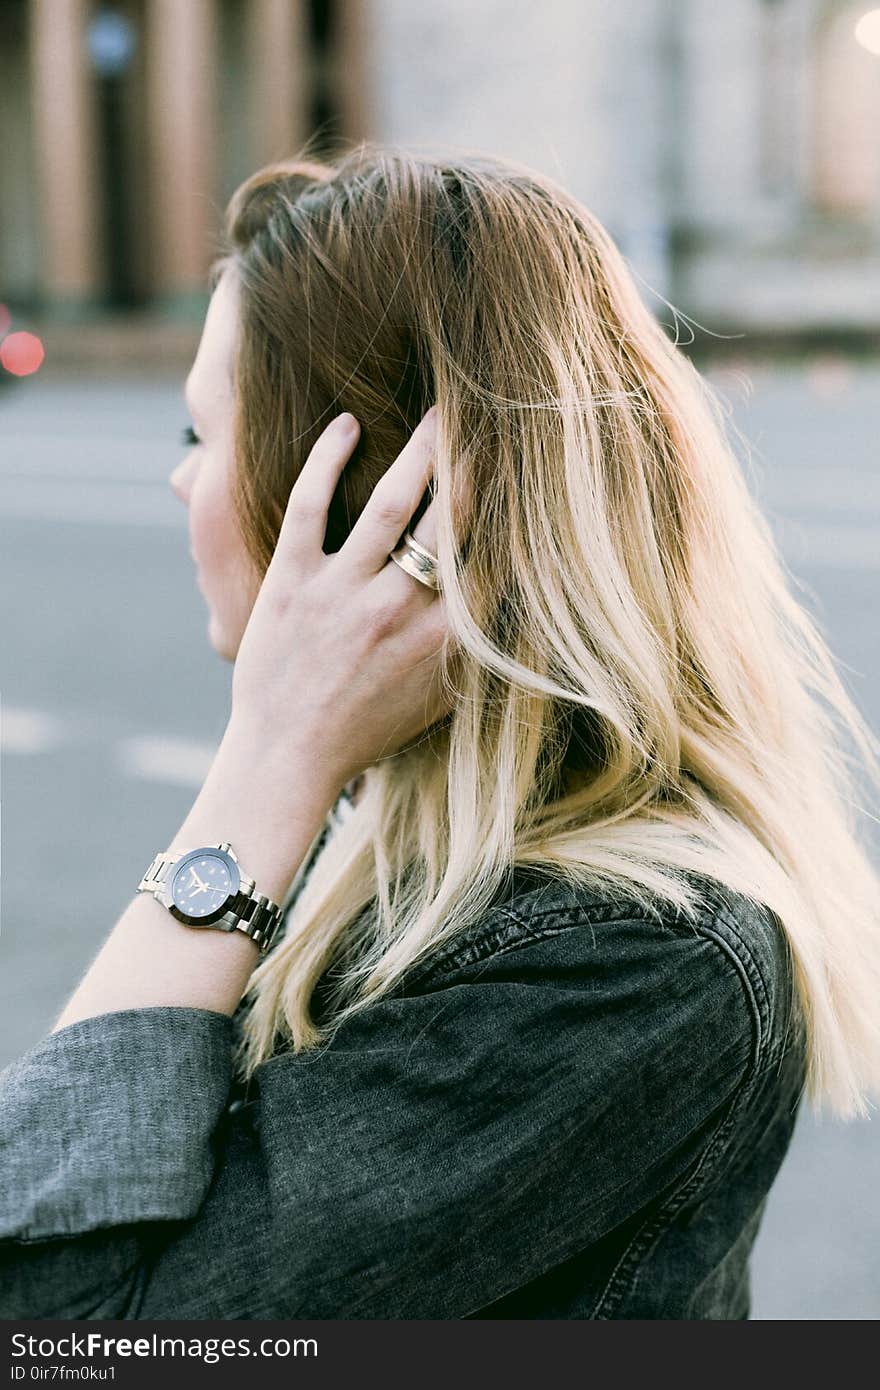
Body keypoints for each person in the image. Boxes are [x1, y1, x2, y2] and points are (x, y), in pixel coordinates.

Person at [2, 144, 879, 1321]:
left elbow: (54, 1325)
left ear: (369, 506)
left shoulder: (626, 966)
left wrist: (267, 760)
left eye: (200, 438)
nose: (179, 485)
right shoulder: (385, 818)